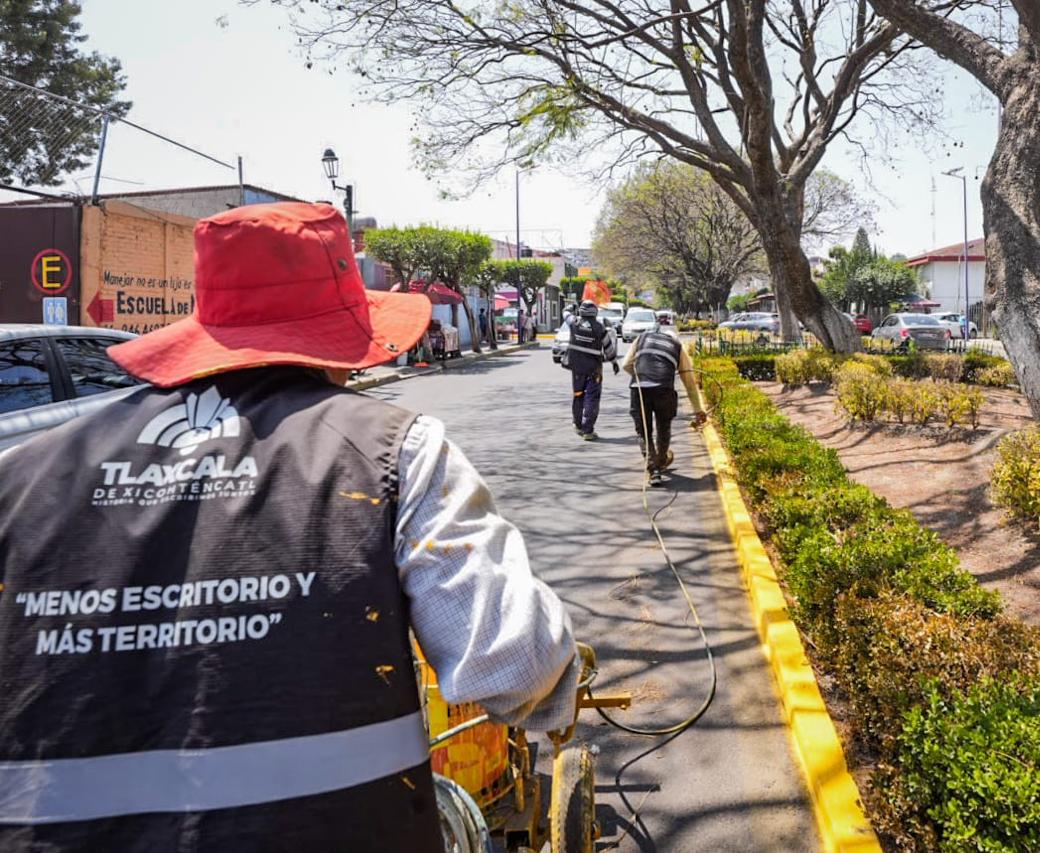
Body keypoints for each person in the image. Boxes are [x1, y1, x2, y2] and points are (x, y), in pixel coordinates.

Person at [0, 203, 578, 852]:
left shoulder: (21, 477)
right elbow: (514, 665)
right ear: (339, 338)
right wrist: (560, 683)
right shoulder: (397, 451)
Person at [622, 327, 708, 473]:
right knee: (663, 426)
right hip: (664, 389)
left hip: (639, 389)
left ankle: (653, 468)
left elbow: (626, 364)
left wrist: (643, 377)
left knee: (643, 430)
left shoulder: (642, 338)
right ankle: (661, 461)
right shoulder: (677, 347)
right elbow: (689, 384)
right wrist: (698, 409)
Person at [565, 299, 618, 441]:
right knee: (592, 398)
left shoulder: (574, 322)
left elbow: (565, 313)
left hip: (577, 368)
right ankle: (588, 430)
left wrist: (571, 306)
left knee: (578, 395)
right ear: (595, 313)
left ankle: (578, 425)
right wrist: (614, 362)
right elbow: (608, 348)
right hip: (594, 370)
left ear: (581, 312)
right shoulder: (600, 328)